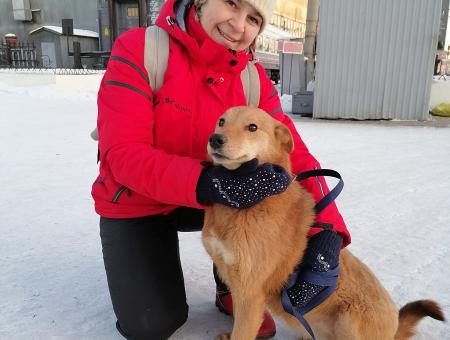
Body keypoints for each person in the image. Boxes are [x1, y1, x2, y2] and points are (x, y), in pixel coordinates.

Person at [92, 0, 351, 338]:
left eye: (254, 18)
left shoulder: (251, 77)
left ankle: (236, 282)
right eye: (232, 4)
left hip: (218, 197)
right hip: (138, 199)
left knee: (269, 209)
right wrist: (208, 183)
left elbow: (293, 154)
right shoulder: (142, 50)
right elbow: (123, 153)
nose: (239, 25)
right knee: (150, 324)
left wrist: (328, 230)